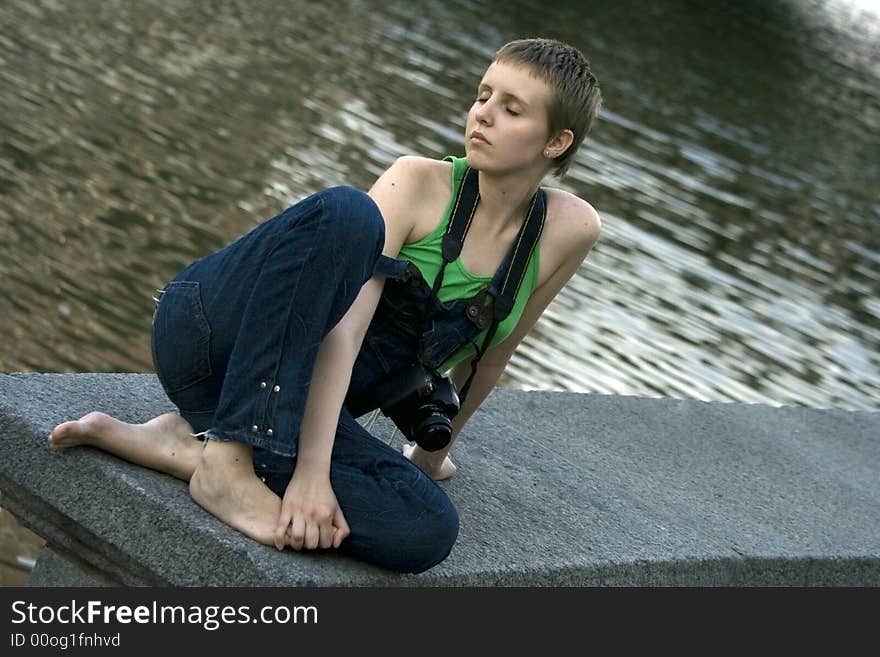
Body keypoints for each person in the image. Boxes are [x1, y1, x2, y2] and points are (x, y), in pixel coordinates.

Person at [48, 38, 603, 574]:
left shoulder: (568, 230)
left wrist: (432, 454)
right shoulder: (417, 182)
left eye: (511, 109)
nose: (481, 115)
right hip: (209, 338)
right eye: (482, 95)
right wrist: (311, 473)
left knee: (427, 529)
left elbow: (493, 353)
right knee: (348, 213)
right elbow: (346, 330)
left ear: (556, 142)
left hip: (294, 402)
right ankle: (227, 460)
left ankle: (188, 447)